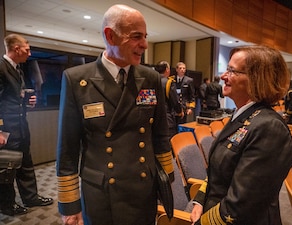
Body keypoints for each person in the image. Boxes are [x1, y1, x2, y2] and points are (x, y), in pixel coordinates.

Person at [56, 4, 174, 225]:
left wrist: (166, 182)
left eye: (145, 37)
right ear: (110, 36)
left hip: (143, 189)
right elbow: (68, 149)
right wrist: (70, 203)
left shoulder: (150, 78)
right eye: (136, 36)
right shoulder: (76, 79)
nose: (145, 45)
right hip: (101, 192)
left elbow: (160, 136)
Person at [190, 45, 292, 225]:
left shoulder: (269, 128)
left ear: (257, 79)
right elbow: (220, 171)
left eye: (232, 71)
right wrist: (200, 200)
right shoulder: (243, 116)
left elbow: (241, 206)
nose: (223, 76)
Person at [0, 34, 53, 216]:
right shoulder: (0, 67)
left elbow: (12, 96)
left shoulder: (17, 69)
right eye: (27, 49)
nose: (29, 53)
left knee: (26, 163)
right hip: (6, 129)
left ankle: (30, 197)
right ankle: (7, 205)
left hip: (21, 125)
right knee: (7, 167)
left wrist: (26, 102)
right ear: (16, 49)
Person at [155, 60, 183, 139]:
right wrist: (180, 111)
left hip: (153, 120)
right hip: (167, 119)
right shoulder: (168, 82)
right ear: (167, 69)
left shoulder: (151, 81)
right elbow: (174, 101)